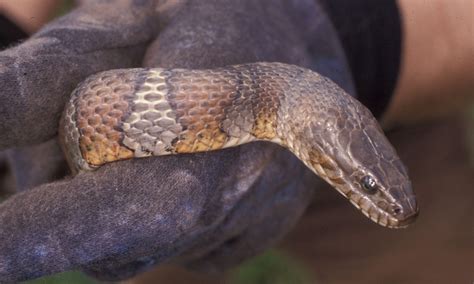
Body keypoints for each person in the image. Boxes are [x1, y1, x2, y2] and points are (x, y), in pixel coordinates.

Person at [0, 0, 472, 282]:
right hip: (145, 58)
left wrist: (349, 39)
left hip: (404, 79)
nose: (382, 198)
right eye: (367, 185)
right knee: (142, 229)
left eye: (367, 184)